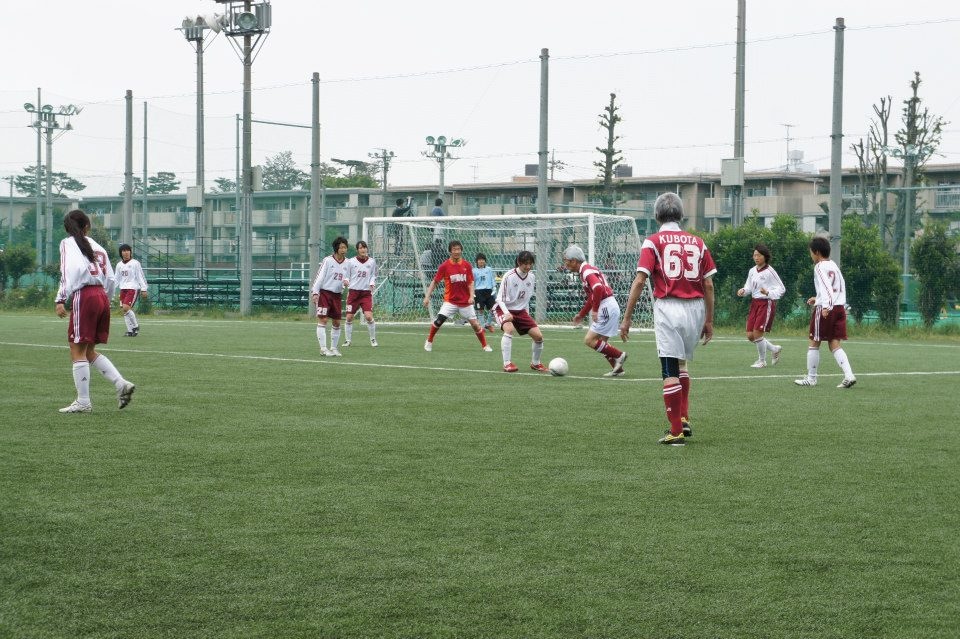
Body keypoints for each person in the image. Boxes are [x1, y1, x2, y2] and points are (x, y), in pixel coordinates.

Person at [619, 192, 716, 446]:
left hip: (669, 306)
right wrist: (709, 320)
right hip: (695, 308)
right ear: (681, 215)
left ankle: (676, 432)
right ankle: (683, 417)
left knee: (669, 367)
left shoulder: (653, 242)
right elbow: (708, 285)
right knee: (682, 363)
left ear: (656, 215)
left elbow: (640, 281)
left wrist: (627, 318)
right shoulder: (698, 242)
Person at [54, 209, 136, 413]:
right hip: (101, 296)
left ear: (67, 229)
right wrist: (106, 299)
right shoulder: (99, 247)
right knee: (88, 351)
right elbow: (111, 279)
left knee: (76, 349)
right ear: (87, 226)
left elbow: (69, 271)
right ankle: (121, 384)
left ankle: (83, 402)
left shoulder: (67, 243)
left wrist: (61, 298)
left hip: (85, 295)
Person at [794, 236, 857, 388]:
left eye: (811, 252)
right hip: (839, 307)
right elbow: (838, 287)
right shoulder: (834, 265)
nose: (811, 255)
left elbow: (827, 287)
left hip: (827, 308)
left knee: (814, 342)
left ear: (816, 252)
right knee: (834, 343)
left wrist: (825, 305)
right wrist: (818, 298)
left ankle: (811, 378)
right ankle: (849, 375)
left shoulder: (819, 266)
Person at [562, 245, 628, 377]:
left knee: (589, 340)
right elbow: (592, 296)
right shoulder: (587, 270)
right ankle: (618, 369)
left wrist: (595, 310)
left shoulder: (586, 271)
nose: (565, 264)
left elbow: (598, 288)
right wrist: (581, 314)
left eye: (566, 261)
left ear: (574, 261)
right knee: (602, 341)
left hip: (606, 306)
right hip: (610, 305)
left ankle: (619, 355)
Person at [422, 240, 492, 353]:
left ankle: (485, 345)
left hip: (465, 302)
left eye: (458, 249)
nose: (456, 251)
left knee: (475, 325)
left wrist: (471, 296)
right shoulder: (444, 266)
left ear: (461, 251)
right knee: (439, 321)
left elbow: (471, 282)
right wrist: (427, 297)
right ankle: (429, 341)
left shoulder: (467, 265)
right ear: (450, 251)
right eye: (454, 249)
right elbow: (435, 282)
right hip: (450, 301)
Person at [495, 251, 547, 373]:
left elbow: (526, 299)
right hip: (503, 308)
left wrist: (526, 315)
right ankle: (507, 364)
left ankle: (536, 363)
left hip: (520, 311)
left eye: (530, 264)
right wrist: (507, 313)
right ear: (519, 262)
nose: (528, 267)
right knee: (509, 329)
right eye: (525, 264)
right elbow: (499, 299)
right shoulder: (509, 276)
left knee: (538, 336)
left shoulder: (532, 277)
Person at [736, 243, 785, 368]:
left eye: (759, 255)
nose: (756, 257)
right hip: (754, 303)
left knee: (757, 334)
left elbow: (782, 289)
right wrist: (743, 291)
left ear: (765, 256)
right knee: (750, 336)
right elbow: (749, 287)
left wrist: (768, 293)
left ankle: (762, 361)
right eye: (754, 255)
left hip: (766, 303)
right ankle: (774, 349)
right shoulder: (752, 271)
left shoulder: (770, 271)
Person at [311, 236, 349, 357]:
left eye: (345, 247)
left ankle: (334, 348)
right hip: (325, 294)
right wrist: (315, 293)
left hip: (337, 295)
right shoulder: (328, 260)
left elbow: (348, 276)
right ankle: (323, 348)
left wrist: (346, 281)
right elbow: (320, 276)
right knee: (323, 320)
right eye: (341, 247)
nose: (343, 250)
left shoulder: (347, 263)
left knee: (337, 322)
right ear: (336, 248)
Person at [343, 240, 379, 348]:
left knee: (368, 317)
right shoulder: (351, 262)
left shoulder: (372, 262)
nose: (363, 249)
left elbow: (373, 275)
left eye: (364, 247)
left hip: (365, 293)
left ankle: (373, 339)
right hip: (353, 293)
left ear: (367, 249)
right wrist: (346, 280)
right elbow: (346, 275)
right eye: (361, 248)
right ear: (357, 250)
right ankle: (348, 341)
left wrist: (372, 283)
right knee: (349, 317)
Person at [113, 243, 149, 337]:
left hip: (132, 288)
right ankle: (131, 331)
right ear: (121, 253)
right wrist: (111, 289)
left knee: (126, 308)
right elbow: (116, 279)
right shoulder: (119, 265)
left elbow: (140, 276)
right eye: (124, 251)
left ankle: (136, 326)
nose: (126, 252)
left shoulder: (135, 263)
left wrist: (144, 288)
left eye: (128, 250)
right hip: (123, 289)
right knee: (125, 311)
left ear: (130, 252)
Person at [473, 252, 496, 332]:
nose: (481, 261)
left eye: (483, 260)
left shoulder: (489, 269)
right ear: (477, 261)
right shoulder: (474, 271)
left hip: (489, 291)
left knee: (493, 309)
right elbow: (472, 282)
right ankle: (482, 327)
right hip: (478, 292)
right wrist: (472, 292)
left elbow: (492, 279)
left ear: (485, 261)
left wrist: (494, 287)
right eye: (479, 260)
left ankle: (488, 324)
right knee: (480, 310)